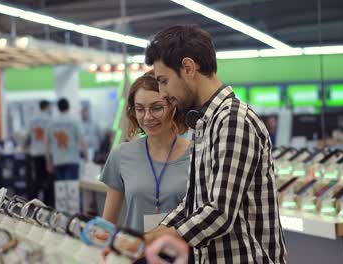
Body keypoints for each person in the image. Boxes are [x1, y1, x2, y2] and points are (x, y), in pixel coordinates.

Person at [144, 25, 287, 263]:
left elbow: (220, 211)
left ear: (188, 68)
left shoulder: (232, 121)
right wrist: (153, 236)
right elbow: (193, 203)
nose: (162, 92)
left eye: (164, 81)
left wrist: (165, 237)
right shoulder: (205, 123)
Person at [100, 70, 191, 234]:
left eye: (156, 108)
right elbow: (107, 223)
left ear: (174, 107)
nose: (147, 117)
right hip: (136, 255)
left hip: (183, 256)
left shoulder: (197, 155)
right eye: (140, 109)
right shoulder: (121, 155)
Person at [45, 98, 87, 181]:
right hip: (72, 160)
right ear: (68, 107)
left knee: (61, 190)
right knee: (72, 189)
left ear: (58, 108)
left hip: (57, 161)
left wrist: (48, 161)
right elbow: (82, 140)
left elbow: (46, 143)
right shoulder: (74, 121)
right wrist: (86, 156)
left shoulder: (51, 123)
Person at [26, 100, 54, 205]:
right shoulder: (50, 120)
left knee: (37, 178)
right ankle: (47, 202)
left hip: (35, 153)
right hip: (48, 153)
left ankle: (35, 202)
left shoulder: (32, 120)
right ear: (47, 107)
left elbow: (28, 136)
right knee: (49, 178)